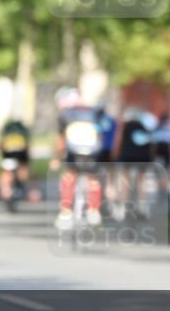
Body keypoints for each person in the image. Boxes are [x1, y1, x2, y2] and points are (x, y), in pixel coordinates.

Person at [50, 87, 105, 230]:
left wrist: (56, 158)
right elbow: (101, 135)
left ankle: (65, 211)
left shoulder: (66, 114)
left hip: (73, 152)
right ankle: (94, 209)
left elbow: (61, 140)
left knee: (68, 176)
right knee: (93, 179)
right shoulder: (94, 112)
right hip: (92, 152)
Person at [112, 106, 156, 220]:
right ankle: (142, 207)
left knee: (124, 180)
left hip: (127, 154)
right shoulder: (146, 124)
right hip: (142, 155)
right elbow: (151, 141)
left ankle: (123, 207)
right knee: (141, 181)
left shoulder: (125, 125)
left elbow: (119, 139)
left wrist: (115, 154)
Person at [0, 118, 31, 202]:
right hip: (20, 153)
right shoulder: (23, 131)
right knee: (23, 168)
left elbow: (1, 145)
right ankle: (17, 186)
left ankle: (5, 189)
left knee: (6, 171)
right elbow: (27, 146)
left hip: (8, 154)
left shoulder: (6, 131)